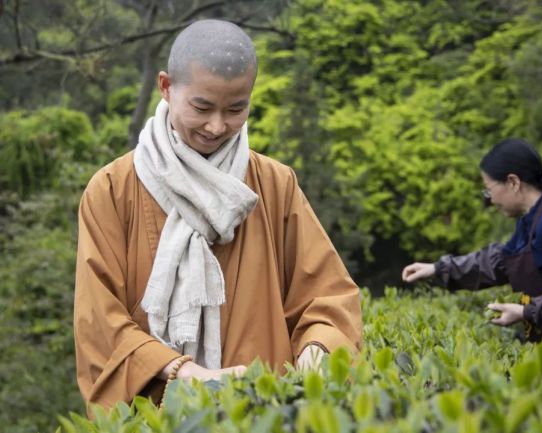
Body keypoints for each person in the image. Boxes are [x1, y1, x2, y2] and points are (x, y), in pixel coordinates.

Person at [74, 19, 362, 411]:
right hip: (160, 409)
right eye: (202, 107)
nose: (216, 126)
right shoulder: (112, 189)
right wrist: (188, 374)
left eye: (235, 109)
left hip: (267, 409)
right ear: (166, 87)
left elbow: (327, 295)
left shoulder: (274, 184)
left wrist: (318, 349)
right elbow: (99, 322)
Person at [401, 138, 542, 393]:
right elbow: (498, 262)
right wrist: (439, 269)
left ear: (513, 182)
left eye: (489, 189)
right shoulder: (530, 222)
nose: (489, 199)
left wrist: (527, 312)